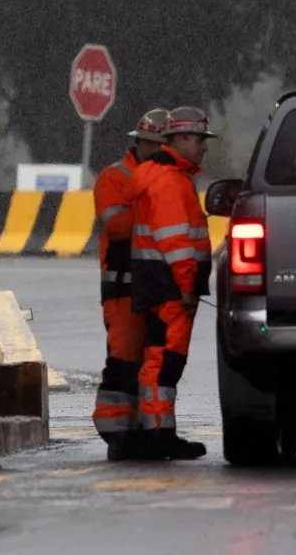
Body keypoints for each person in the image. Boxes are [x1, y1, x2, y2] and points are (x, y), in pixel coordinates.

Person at [128, 106, 218, 461]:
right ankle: (158, 436)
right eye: (198, 140)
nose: (204, 148)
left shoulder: (169, 177)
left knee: (164, 362)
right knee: (164, 363)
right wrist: (186, 286)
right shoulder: (168, 181)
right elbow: (175, 242)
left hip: (165, 287)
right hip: (170, 289)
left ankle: (161, 433)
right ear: (179, 139)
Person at [93, 107, 170, 458]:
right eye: (148, 143)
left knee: (154, 362)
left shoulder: (170, 178)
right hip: (123, 287)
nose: (152, 149)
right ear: (137, 143)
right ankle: (117, 435)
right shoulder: (114, 177)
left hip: (157, 284)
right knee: (124, 360)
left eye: (158, 144)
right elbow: (118, 226)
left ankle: (147, 432)